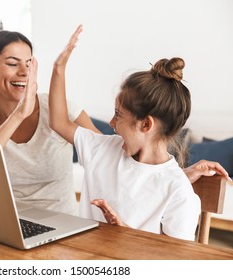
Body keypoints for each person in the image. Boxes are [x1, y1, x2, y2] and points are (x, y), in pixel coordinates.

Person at [0, 28, 230, 218]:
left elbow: (117, 163)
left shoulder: (69, 118)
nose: (24, 72)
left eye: (29, 63)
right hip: (7, 228)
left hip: (64, 228)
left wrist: (173, 178)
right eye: (12, 63)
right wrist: (21, 112)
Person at [49, 25, 207, 241]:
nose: (112, 123)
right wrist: (58, 68)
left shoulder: (177, 191)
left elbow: (175, 262)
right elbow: (58, 122)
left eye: (118, 115)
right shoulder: (103, 149)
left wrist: (126, 234)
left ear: (145, 125)